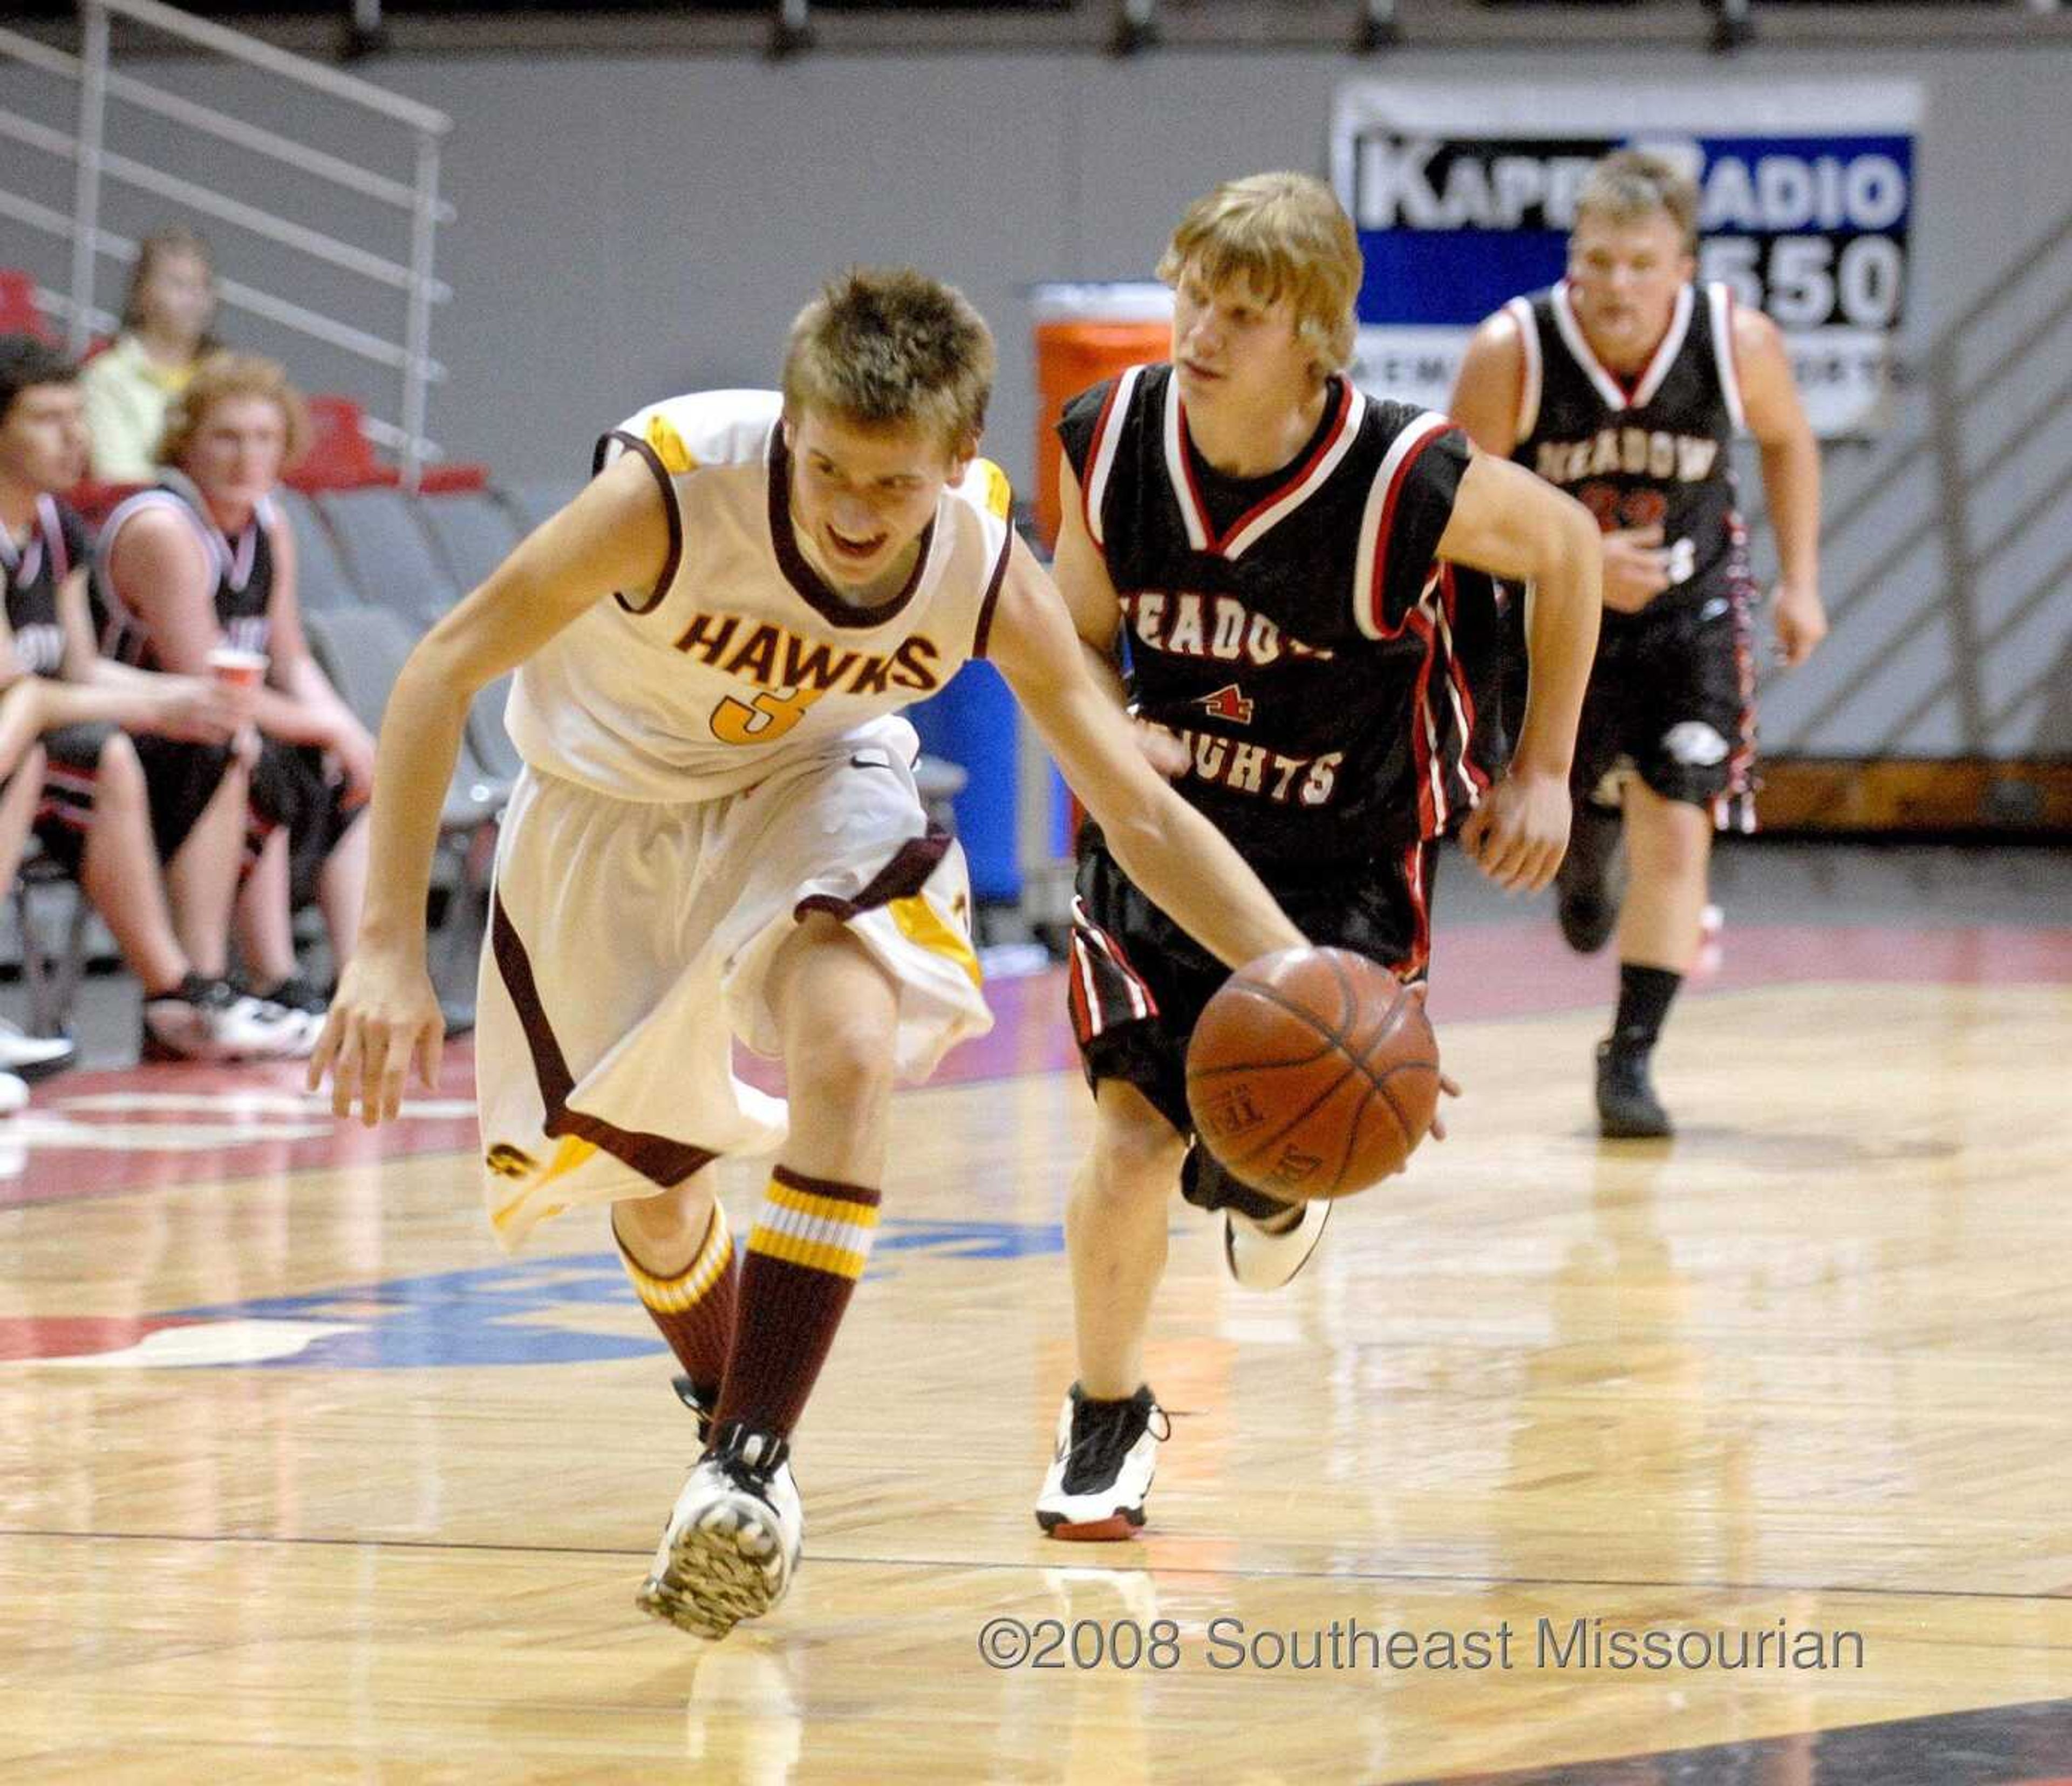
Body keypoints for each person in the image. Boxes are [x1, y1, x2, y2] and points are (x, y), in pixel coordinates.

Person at [305, 267, 1318, 1642]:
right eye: (826, 467)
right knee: (654, 1197)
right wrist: (382, 945)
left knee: (846, 1041)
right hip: (603, 809)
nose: (851, 511)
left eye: (890, 486)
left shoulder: (979, 561)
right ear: (787, 427)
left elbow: (1134, 807)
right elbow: (438, 667)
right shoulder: (664, 494)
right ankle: (737, 1428)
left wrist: (1295, 975)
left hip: (811, 776)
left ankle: (744, 1461)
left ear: (959, 464)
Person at [1033, 172, 1603, 1542]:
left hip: (1340, 863)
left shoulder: (1400, 475)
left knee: (1264, 1152)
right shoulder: (1108, 438)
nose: (1203, 331)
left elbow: (1569, 546)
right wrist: (1117, 745)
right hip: (1164, 851)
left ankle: (1274, 1187)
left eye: (1241, 310)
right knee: (1127, 1138)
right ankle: (1103, 1414)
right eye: (1192, 295)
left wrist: (1541, 769)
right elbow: (1069, 640)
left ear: (1312, 338)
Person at [1448, 148, 1826, 1138]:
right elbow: (1450, 507)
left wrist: (1803, 582)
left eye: (1639, 263)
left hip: (1690, 621)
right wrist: (1569, 561)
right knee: (1550, 827)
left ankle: (1630, 1060)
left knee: (1680, 823)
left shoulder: (1736, 342)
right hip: (1553, 623)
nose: (1616, 283)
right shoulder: (1512, 350)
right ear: (1573, 260)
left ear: (1683, 267)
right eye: (1597, 259)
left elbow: (1789, 439)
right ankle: (1584, 859)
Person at [0, 336, 306, 1068]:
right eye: (48, 418)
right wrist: (157, 707)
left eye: (79, 416)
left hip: (31, 740)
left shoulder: (56, 527)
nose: (76, 436)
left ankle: (207, 984)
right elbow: (22, 693)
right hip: (24, 743)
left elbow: (79, 668)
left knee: (218, 736)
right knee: (102, 753)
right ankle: (175, 991)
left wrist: (185, 698)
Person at [98, 351, 376, 1031]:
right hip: (146, 729)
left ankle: (361, 982)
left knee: (354, 766)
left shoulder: (269, 522)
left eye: (264, 438)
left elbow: (290, 656)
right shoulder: (164, 527)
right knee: (259, 749)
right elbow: (206, 682)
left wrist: (348, 732)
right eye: (226, 437)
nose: (246, 456)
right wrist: (327, 729)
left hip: (217, 723)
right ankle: (269, 976)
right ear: (186, 441)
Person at [80, 227, 221, 484]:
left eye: (203, 285)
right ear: (140, 294)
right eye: (179, 284)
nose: (195, 298)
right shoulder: (106, 376)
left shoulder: (227, 374)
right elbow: (119, 480)